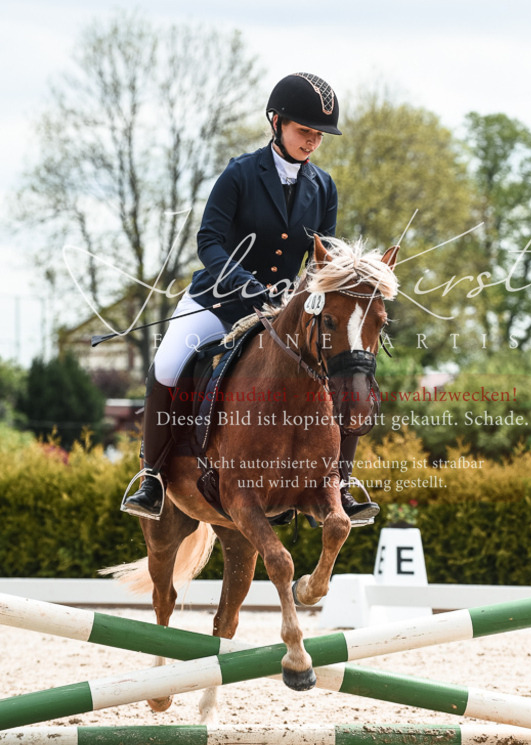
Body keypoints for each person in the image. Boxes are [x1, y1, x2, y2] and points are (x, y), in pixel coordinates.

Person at [121, 72, 380, 525]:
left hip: (281, 313)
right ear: (276, 122)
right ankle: (153, 477)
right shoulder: (240, 173)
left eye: (319, 135)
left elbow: (324, 258)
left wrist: (313, 291)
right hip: (219, 302)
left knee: (345, 367)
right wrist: (246, 284)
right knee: (167, 364)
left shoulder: (324, 187)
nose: (312, 141)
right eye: (305, 130)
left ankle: (339, 482)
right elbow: (209, 241)